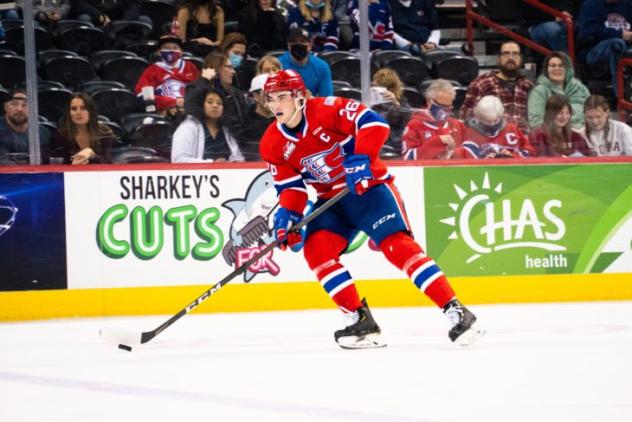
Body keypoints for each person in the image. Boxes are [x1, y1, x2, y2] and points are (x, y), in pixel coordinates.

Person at [259, 69, 485, 349]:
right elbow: (291, 188)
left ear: (301, 97)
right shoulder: (271, 143)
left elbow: (374, 124)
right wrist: (288, 216)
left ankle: (457, 311)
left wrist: (361, 159)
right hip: (332, 200)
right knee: (317, 250)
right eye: (271, 98)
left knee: (396, 247)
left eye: (282, 97)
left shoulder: (329, 108)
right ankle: (360, 320)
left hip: (369, 189)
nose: (275, 104)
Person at [460, 41, 534, 134]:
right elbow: (465, 116)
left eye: (515, 54)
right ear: (498, 59)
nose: (511, 58)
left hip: (524, 141)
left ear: (521, 59)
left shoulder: (528, 86)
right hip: (493, 140)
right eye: (506, 54)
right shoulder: (482, 83)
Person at [171, 78, 244, 163]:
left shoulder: (227, 129)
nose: (215, 106)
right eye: (210, 102)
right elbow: (178, 160)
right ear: (201, 105)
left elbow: (239, 157)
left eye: (219, 103)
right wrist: (212, 163)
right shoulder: (188, 127)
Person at [135, 36, 201, 118]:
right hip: (164, 112)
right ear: (159, 52)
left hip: (189, 109)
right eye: (166, 48)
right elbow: (143, 95)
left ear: (181, 52)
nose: (171, 50)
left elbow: (200, 90)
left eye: (175, 48)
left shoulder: (190, 67)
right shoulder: (152, 70)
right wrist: (170, 102)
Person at [577, 0, 632, 95]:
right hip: (594, 50)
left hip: (626, 46)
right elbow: (587, 31)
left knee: (620, 46)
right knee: (616, 44)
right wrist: (620, 34)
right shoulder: (590, 5)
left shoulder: (628, 4)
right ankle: (621, 97)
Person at [402, 79, 466, 160]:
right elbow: (407, 158)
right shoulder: (414, 126)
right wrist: (436, 142)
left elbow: (469, 153)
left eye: (449, 107)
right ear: (429, 101)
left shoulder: (458, 125)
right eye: (442, 106)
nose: (445, 111)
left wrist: (454, 154)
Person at [455, 95, 535, 159]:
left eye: (495, 120)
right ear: (479, 117)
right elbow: (468, 162)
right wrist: (486, 161)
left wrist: (511, 157)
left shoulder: (512, 129)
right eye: (487, 121)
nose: (492, 124)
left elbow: (529, 151)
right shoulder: (471, 134)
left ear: (501, 116)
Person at [528, 51, 590, 130]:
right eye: (552, 66)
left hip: (584, 134)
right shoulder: (539, 91)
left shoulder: (581, 89)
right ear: (546, 69)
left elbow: (592, 114)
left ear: (568, 68)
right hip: (554, 137)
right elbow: (535, 123)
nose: (557, 69)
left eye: (561, 65)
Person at [51, 93, 114, 164]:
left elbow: (108, 162)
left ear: (91, 111)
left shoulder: (104, 132)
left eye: (83, 108)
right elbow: (57, 163)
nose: (78, 112)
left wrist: (91, 154)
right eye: (74, 109)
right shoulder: (61, 135)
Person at [202, 52, 249, 139]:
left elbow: (245, 123)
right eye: (229, 67)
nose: (234, 71)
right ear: (216, 69)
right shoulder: (200, 93)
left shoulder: (236, 94)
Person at [0, 89, 51, 165]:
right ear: (5, 107)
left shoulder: (43, 133)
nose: (19, 109)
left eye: (25, 105)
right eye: (14, 104)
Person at [278, 27, 334, 97]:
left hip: (311, 105)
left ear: (310, 45)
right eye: (294, 42)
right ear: (289, 46)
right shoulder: (278, 65)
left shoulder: (322, 66)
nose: (298, 45)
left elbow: (326, 98)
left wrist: (311, 100)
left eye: (302, 41)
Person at [370, 68, 410, 154]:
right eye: (375, 88)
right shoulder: (368, 102)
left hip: (394, 144)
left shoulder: (401, 102)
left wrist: (396, 103)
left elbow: (408, 121)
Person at [240, 74, 274, 161]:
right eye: (267, 94)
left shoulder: (283, 121)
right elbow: (251, 154)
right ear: (256, 96)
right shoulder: (246, 124)